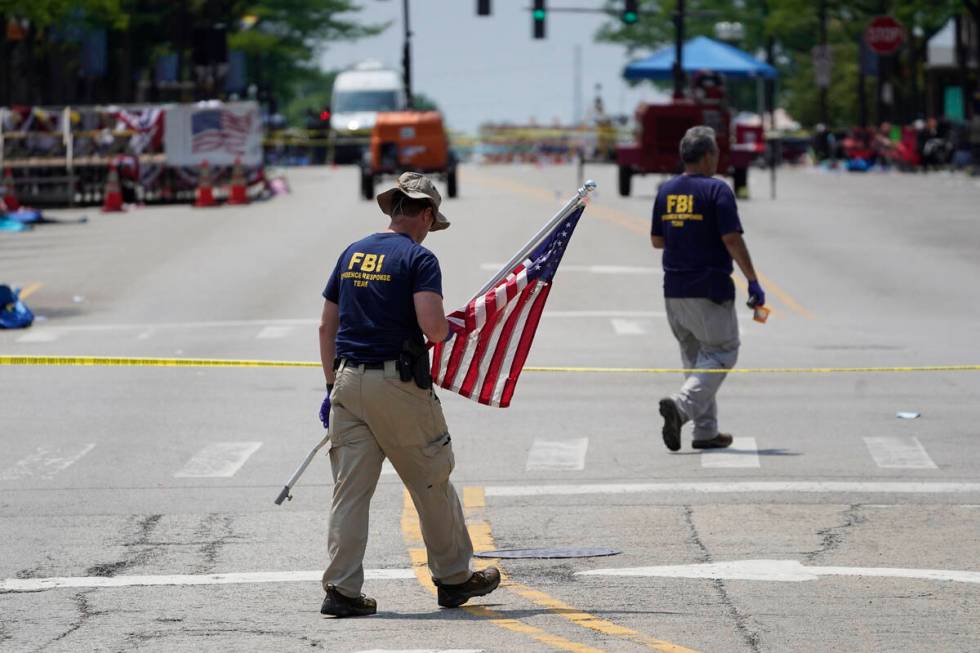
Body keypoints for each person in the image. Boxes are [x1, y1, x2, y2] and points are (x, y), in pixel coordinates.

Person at [317, 172, 500, 617]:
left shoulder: (353, 252)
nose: (429, 230)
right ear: (423, 213)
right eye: (431, 221)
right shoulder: (418, 259)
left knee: (350, 492)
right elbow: (433, 328)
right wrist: (456, 324)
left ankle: (341, 589)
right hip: (396, 387)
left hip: (348, 383)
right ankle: (454, 578)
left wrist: (329, 387)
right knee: (432, 481)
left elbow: (327, 325)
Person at [650, 126, 764, 452]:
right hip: (709, 288)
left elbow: (657, 240)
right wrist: (752, 280)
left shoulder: (666, 190)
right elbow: (732, 239)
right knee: (723, 350)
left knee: (697, 361)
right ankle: (682, 407)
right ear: (707, 155)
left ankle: (705, 432)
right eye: (715, 154)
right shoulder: (718, 191)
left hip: (674, 290)